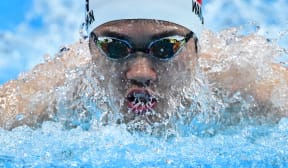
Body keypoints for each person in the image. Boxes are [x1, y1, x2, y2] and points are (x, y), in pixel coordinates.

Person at [0, 0, 287, 132]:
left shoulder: (246, 83)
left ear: (197, 49)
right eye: (114, 47)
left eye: (166, 47)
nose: (140, 72)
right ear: (89, 49)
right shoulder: (53, 93)